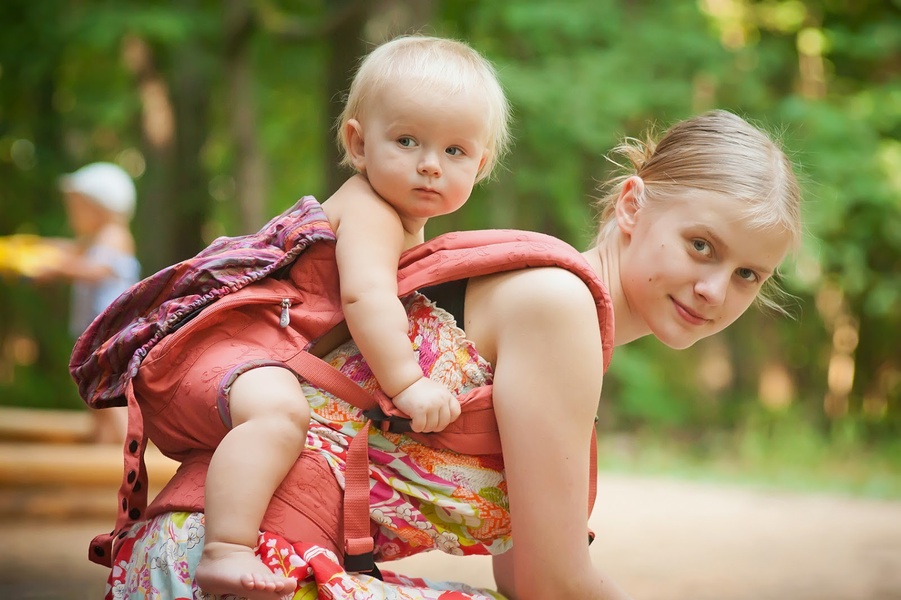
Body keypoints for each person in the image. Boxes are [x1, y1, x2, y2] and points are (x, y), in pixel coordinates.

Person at [104, 107, 801, 600]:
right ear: (630, 206)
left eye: (747, 274)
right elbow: (554, 586)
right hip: (239, 568)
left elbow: (524, 578)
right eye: (700, 245)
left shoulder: (560, 317)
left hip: (224, 561)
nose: (715, 290)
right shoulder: (557, 304)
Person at [191, 35, 511, 599]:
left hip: (263, 356)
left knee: (289, 417)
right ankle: (226, 549)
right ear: (358, 143)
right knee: (280, 418)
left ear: (481, 163)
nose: (431, 165)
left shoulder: (400, 218)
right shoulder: (370, 210)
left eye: (455, 152)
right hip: (237, 351)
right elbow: (365, 298)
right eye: (407, 141)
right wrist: (409, 382)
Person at [32, 161, 140, 444]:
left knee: (110, 394)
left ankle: (127, 448)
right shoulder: (93, 239)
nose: (73, 214)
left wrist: (57, 268)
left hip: (111, 336)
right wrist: (33, 249)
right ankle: (104, 447)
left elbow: (96, 270)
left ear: (101, 208)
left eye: (78, 207)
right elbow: (66, 248)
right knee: (93, 393)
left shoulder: (115, 237)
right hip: (96, 338)